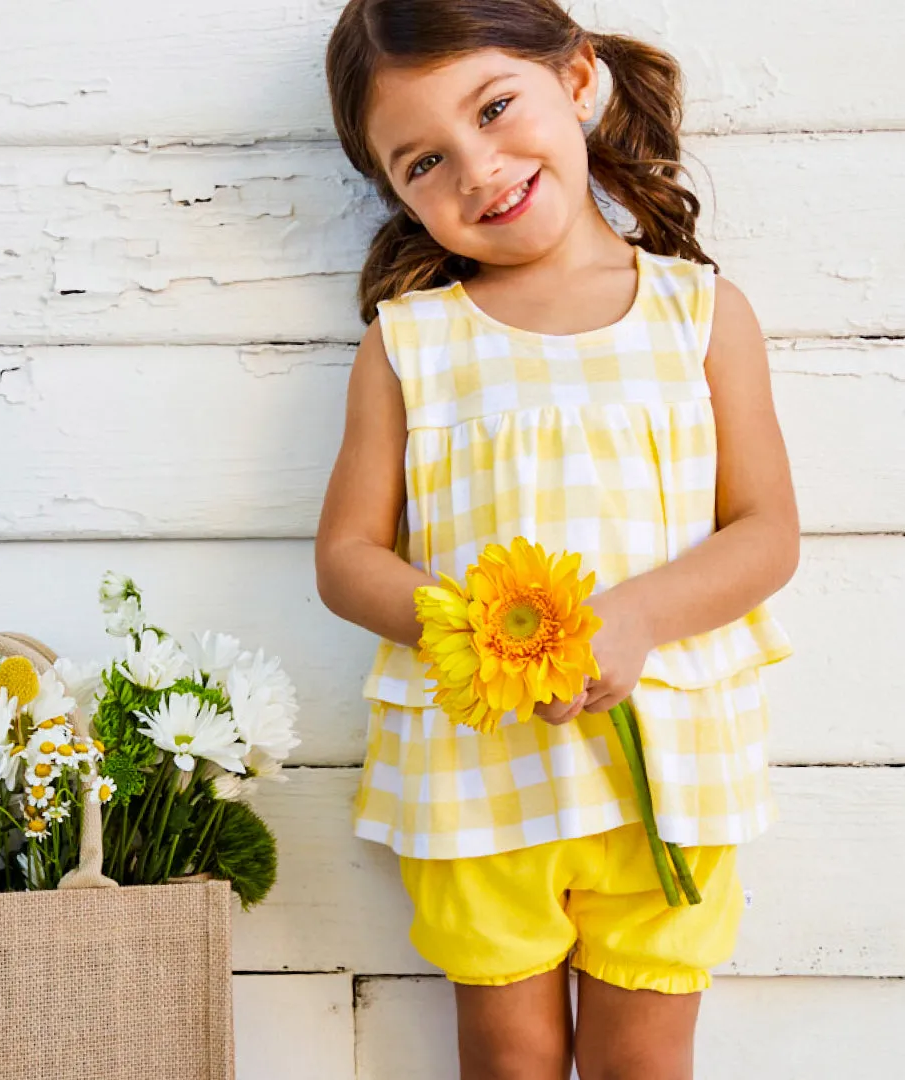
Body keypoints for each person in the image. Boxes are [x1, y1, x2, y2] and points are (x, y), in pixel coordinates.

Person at [315, 2, 799, 1077]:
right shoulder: (411, 345)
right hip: (481, 771)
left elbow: (766, 533)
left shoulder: (701, 317)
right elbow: (349, 559)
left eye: (495, 109)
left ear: (578, 82)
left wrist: (635, 618)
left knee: (644, 1059)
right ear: (394, 192)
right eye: (424, 161)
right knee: (509, 1059)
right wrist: (473, 634)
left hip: (667, 768)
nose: (478, 169)